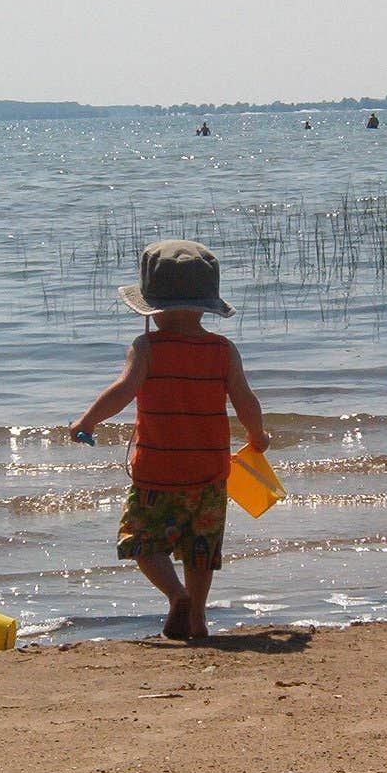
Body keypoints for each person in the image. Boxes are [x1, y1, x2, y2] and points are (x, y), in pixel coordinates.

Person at [69, 239, 269, 641]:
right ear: (206, 306)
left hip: (156, 471)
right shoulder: (222, 350)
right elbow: (245, 399)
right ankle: (197, 618)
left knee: (141, 541)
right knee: (200, 549)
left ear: (152, 307)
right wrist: (256, 435)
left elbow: (123, 391)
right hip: (209, 471)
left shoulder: (146, 347)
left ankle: (176, 595)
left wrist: (86, 421)